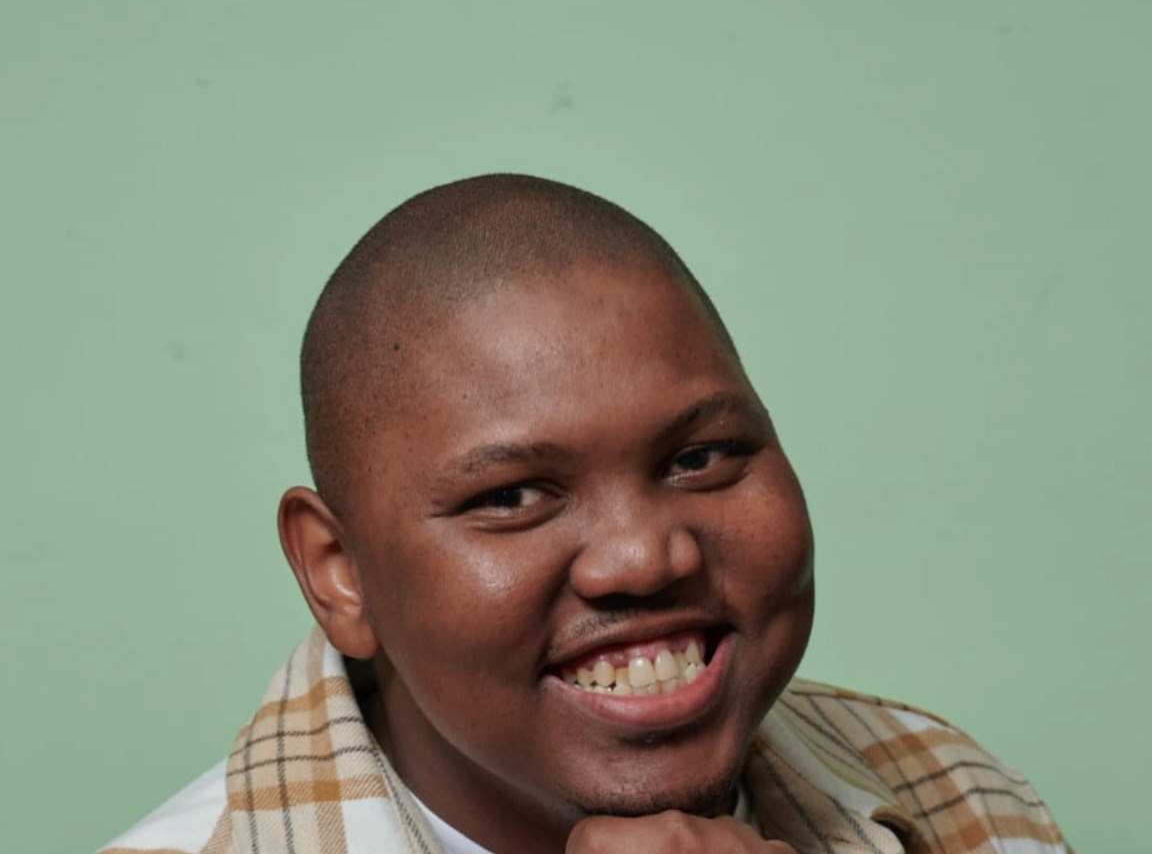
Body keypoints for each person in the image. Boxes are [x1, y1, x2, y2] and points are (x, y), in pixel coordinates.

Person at [99, 175, 1070, 854]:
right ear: (338, 572)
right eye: (511, 497)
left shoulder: (962, 799)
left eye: (700, 458)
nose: (644, 558)